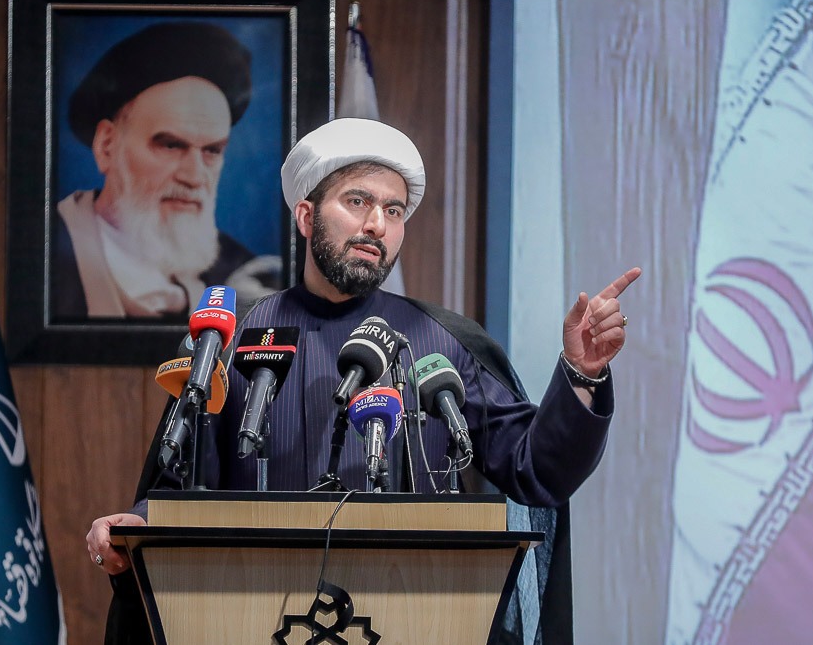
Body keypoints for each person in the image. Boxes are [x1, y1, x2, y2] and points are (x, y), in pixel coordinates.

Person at [86, 117, 641, 643]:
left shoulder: (443, 342)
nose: (377, 224)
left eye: (393, 210)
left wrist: (583, 372)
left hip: (419, 619)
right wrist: (133, 527)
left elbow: (537, 470)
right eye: (358, 202)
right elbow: (180, 491)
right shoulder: (233, 337)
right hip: (249, 616)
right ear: (307, 217)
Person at [53, 21, 282, 320]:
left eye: (212, 151)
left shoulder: (243, 276)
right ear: (107, 146)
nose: (194, 177)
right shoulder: (47, 258)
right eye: (171, 146)